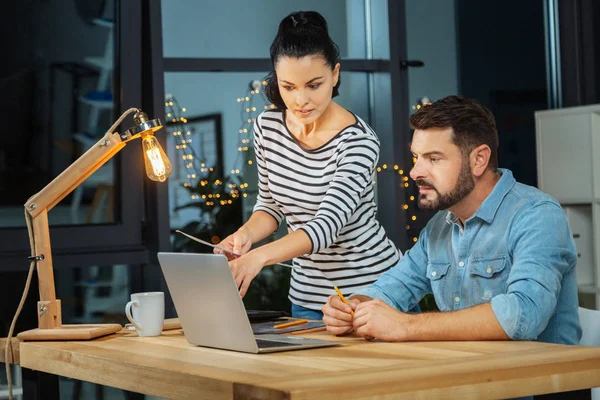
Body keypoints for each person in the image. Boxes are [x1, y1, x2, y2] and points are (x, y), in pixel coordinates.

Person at [322, 95, 582, 345]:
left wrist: (405, 326)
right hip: (464, 379)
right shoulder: (441, 225)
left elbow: (524, 314)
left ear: (479, 159)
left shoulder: (537, 215)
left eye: (433, 159)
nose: (415, 172)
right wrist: (352, 307)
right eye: (416, 157)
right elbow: (394, 287)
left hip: (533, 386)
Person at [215, 11, 401, 320]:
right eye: (288, 87)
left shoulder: (358, 142)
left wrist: (258, 258)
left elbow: (325, 228)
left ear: (336, 74)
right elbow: (271, 206)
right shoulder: (268, 126)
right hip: (306, 296)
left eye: (314, 85)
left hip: (370, 292)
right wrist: (245, 235)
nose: (301, 100)